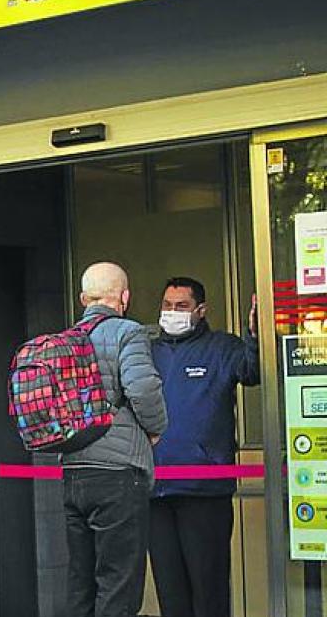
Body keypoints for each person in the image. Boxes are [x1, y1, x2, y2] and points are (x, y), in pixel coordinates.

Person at [149, 277, 259, 617]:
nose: (172, 312)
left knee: (208, 592)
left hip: (205, 492)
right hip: (155, 493)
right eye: (167, 305)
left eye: (181, 306)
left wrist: (256, 336)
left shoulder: (221, 347)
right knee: (171, 596)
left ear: (201, 310)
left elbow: (252, 371)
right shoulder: (147, 352)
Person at [63, 262, 168, 617]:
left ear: (83, 299)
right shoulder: (128, 332)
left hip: (74, 471)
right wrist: (156, 428)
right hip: (118, 474)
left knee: (81, 583)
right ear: (124, 296)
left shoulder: (66, 340)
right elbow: (143, 387)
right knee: (118, 584)